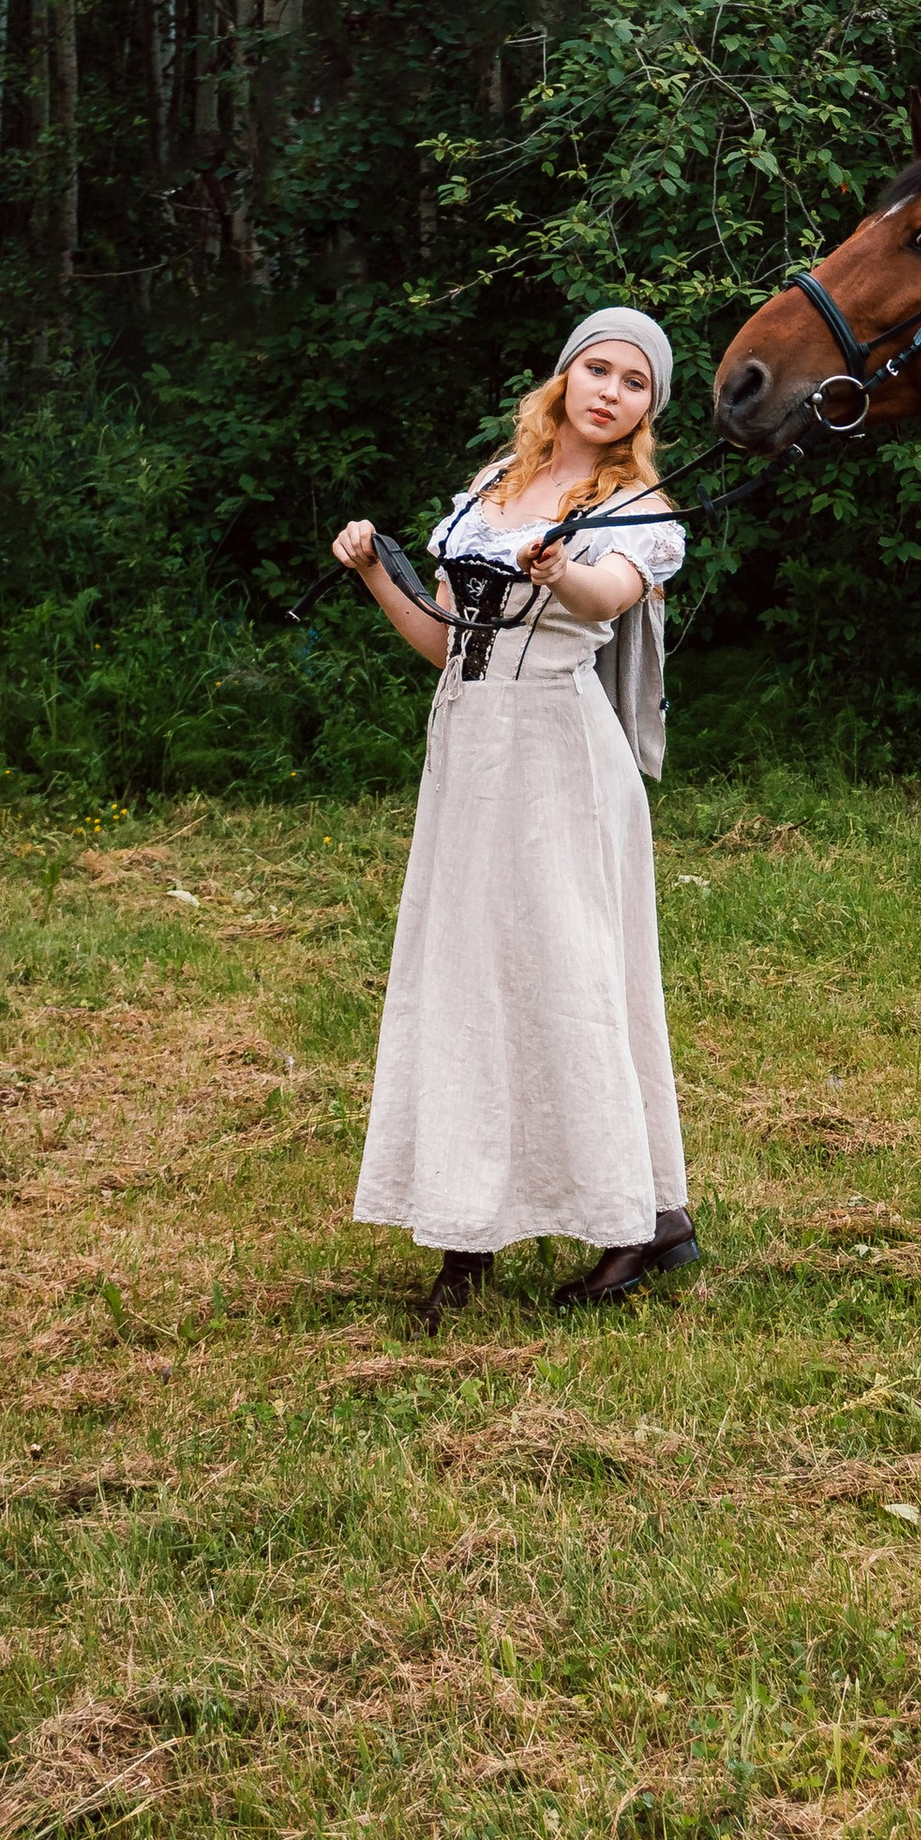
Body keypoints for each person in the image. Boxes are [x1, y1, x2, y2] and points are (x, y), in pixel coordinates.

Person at [331, 310, 697, 1324]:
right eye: (598, 367)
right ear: (565, 373)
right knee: (464, 974)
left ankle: (638, 1223)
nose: (610, 389)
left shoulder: (636, 505)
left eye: (634, 381)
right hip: (468, 750)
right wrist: (375, 573)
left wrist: (557, 570)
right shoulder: (495, 483)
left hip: (558, 758)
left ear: (646, 410)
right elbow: (444, 643)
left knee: (569, 976)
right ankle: (466, 1222)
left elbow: (603, 600)